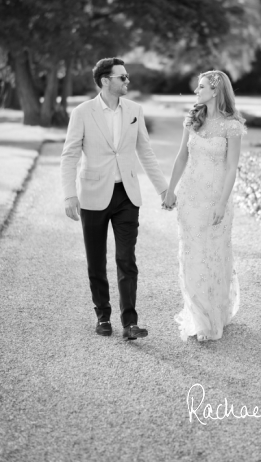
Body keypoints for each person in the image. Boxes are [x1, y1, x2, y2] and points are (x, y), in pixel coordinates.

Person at [61, 57, 170, 339]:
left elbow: (145, 151)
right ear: (105, 80)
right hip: (93, 196)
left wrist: (163, 189)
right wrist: (69, 194)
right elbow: (70, 155)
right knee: (95, 261)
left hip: (126, 195)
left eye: (127, 77)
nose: (127, 81)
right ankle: (103, 317)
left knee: (127, 260)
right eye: (122, 77)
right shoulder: (83, 113)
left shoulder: (134, 110)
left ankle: (130, 322)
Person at [162, 70, 245, 342]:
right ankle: (198, 317)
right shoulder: (193, 120)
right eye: (198, 87)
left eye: (202, 86)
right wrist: (170, 190)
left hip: (216, 200)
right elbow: (181, 156)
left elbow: (232, 167)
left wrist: (222, 202)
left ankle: (215, 314)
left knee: (215, 254)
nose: (196, 91)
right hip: (190, 198)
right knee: (192, 253)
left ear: (216, 91)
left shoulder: (231, 126)